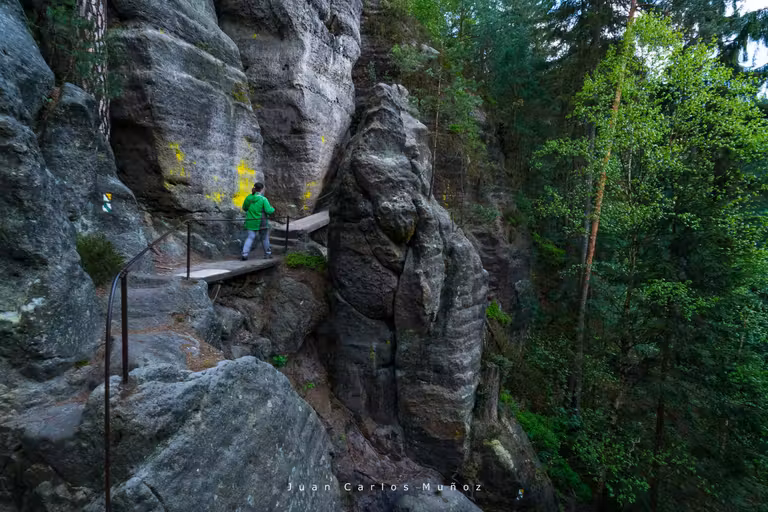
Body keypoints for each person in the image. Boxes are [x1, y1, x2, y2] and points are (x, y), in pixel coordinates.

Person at [241, 182, 275, 260]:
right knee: (264, 238)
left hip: (251, 221)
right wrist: (273, 209)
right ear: (262, 189)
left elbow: (244, 208)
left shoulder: (248, 198)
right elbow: (268, 211)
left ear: (254, 188)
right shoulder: (263, 199)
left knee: (250, 237)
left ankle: (244, 254)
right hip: (261, 221)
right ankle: (268, 254)